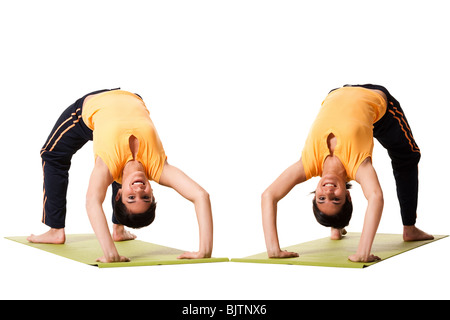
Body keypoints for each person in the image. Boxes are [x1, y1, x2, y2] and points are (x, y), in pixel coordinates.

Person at [28, 88, 213, 263]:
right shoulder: (158, 168)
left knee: (51, 155)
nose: (139, 189)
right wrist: (204, 250)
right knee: (125, 175)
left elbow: (92, 201)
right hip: (132, 97)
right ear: (153, 192)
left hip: (94, 105)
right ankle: (118, 228)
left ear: (119, 194)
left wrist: (110, 253)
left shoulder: (107, 166)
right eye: (146, 196)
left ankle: (55, 230)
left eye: (131, 197)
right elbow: (201, 196)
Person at [261, 84, 433, 263]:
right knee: (408, 156)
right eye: (336, 199)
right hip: (375, 99)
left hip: (336, 92)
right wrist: (363, 252)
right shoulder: (358, 165)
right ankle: (409, 228)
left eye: (321, 198)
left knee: (336, 212)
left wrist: (273, 249)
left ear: (315, 195)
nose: (327, 192)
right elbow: (376, 197)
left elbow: (269, 195)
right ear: (348, 196)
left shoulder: (308, 164)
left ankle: (336, 225)